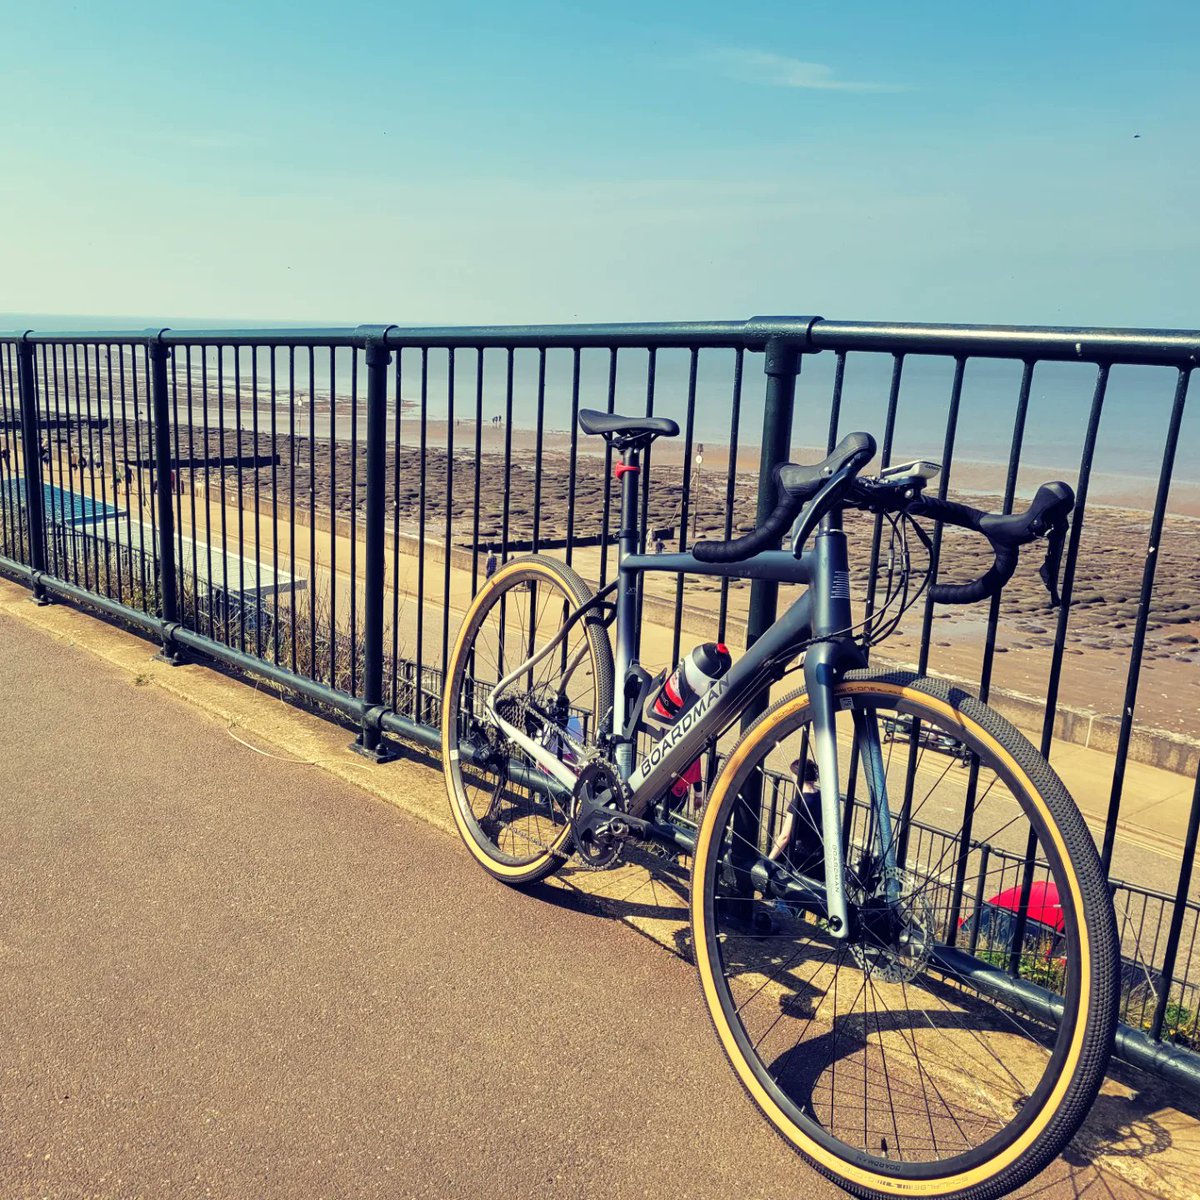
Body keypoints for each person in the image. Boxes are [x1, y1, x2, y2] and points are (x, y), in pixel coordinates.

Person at [768, 758, 823, 879]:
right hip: (815, 854)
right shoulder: (820, 796)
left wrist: (769, 859)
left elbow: (785, 837)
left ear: (798, 777)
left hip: (798, 856)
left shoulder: (798, 803)